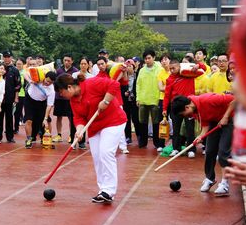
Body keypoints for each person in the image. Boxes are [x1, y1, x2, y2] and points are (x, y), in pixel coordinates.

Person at [55, 73, 127, 203]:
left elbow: (114, 84)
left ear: (69, 87)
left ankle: (109, 191)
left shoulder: (91, 83)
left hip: (113, 121)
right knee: (97, 157)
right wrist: (79, 130)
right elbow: (79, 117)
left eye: (61, 92)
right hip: (94, 127)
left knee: (106, 152)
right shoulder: (73, 101)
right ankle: (103, 190)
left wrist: (106, 101)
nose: (61, 95)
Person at [171, 93, 235, 196]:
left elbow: (234, 100)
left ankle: (224, 183)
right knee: (209, 151)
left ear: (187, 107)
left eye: (184, 114)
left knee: (223, 152)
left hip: (230, 119)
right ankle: (210, 179)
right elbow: (205, 124)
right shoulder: (196, 109)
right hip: (215, 122)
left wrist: (226, 116)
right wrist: (200, 136)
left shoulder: (208, 100)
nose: (186, 116)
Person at [136, 49, 164, 151]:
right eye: (145, 58)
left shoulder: (160, 69)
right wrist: (138, 98)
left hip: (155, 99)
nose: (147, 60)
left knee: (156, 122)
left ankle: (157, 143)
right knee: (142, 122)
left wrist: (159, 98)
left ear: (154, 58)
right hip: (143, 100)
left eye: (149, 58)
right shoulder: (142, 70)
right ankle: (143, 142)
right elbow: (138, 85)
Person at [23, 70, 57, 149]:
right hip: (29, 100)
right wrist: (30, 81)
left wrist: (45, 118)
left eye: (50, 82)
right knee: (28, 120)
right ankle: (29, 139)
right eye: (47, 81)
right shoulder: (38, 77)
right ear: (45, 77)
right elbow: (25, 73)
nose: (48, 83)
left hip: (42, 103)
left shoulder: (51, 90)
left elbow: (49, 105)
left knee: (47, 121)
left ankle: (47, 138)